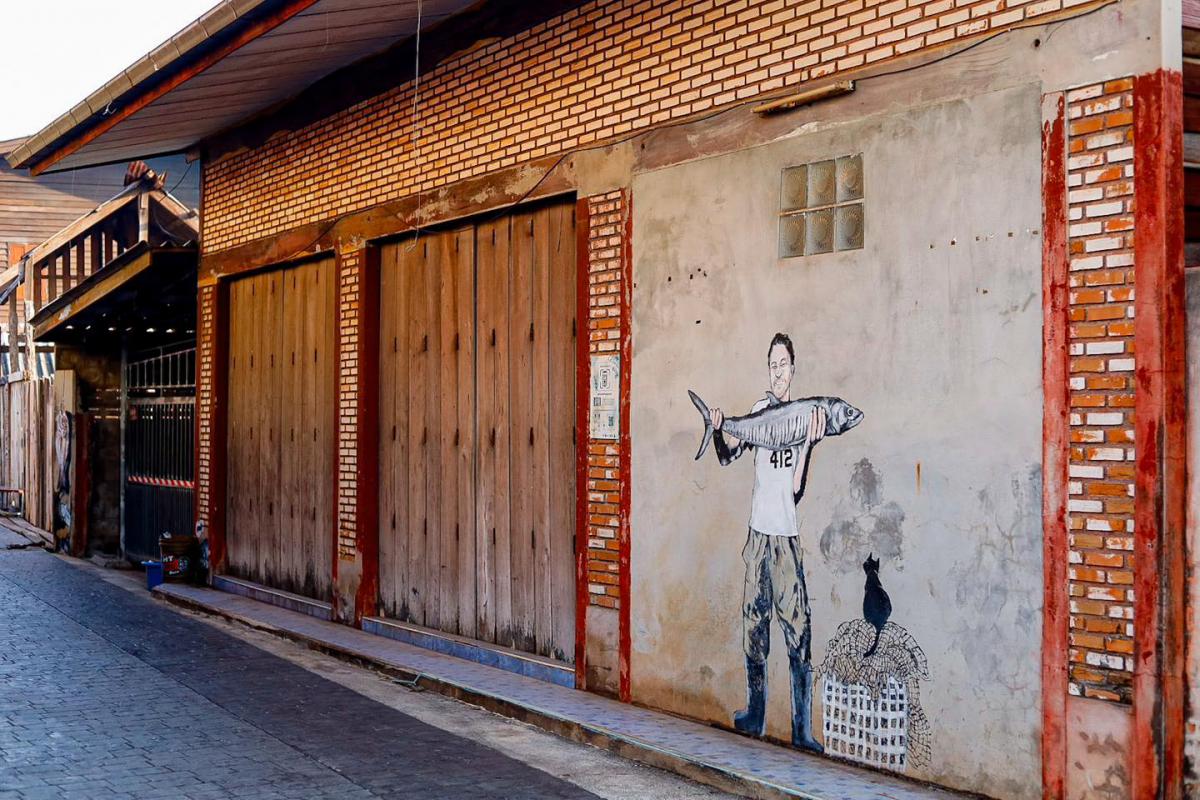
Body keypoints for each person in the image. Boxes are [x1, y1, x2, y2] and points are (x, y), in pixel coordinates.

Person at [709, 332, 826, 754]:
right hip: (758, 536)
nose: (778, 372)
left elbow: (796, 491)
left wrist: (808, 445)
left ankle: (801, 730)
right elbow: (726, 456)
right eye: (772, 365)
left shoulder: (803, 417)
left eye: (783, 365)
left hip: (786, 539)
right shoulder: (760, 411)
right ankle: (755, 716)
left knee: (798, 630)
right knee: (754, 623)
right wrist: (718, 429)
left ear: (794, 368)